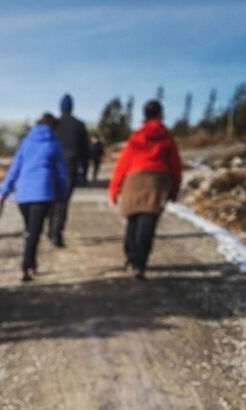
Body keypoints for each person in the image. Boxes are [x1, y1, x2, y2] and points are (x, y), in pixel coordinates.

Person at [108, 99, 182, 279]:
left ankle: (130, 259)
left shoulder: (136, 136)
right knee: (148, 223)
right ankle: (140, 264)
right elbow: (175, 166)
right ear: (160, 114)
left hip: (135, 178)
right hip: (158, 180)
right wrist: (174, 190)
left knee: (133, 220)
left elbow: (123, 163)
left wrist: (114, 189)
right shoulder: (167, 136)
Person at [0, 114, 69, 282]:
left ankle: (31, 263)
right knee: (34, 232)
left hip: (22, 194)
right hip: (43, 193)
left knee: (31, 231)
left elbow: (15, 169)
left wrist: (3, 192)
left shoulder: (26, 142)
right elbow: (61, 174)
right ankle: (25, 267)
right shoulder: (54, 144)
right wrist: (62, 195)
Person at [48, 94, 90, 247]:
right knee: (63, 202)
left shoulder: (55, 125)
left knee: (52, 199)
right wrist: (84, 174)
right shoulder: (79, 125)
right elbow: (85, 152)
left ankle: (50, 227)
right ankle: (57, 232)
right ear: (72, 107)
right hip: (70, 168)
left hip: (53, 168)